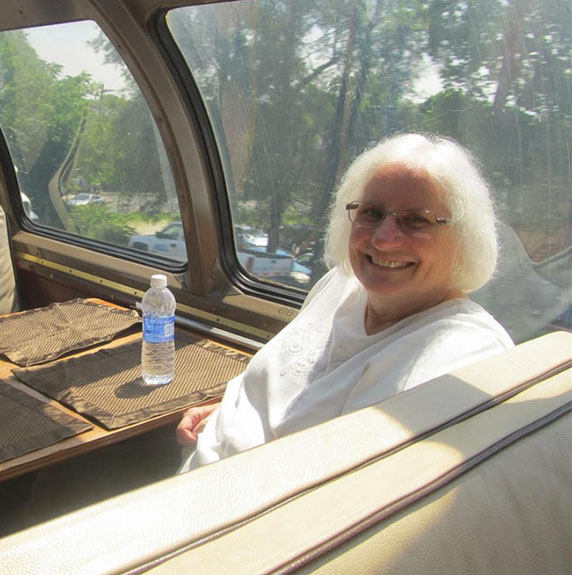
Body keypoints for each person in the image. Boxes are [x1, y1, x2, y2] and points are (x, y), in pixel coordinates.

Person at [178, 133, 514, 471]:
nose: (383, 238)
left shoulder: (461, 353)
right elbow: (287, 390)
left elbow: (343, 489)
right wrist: (230, 413)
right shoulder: (342, 285)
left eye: (416, 220)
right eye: (372, 212)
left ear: (462, 238)